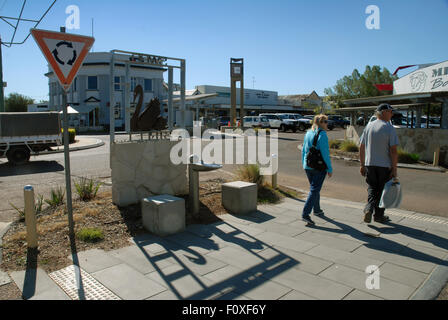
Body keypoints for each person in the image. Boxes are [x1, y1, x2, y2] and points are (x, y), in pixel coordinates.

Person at [359, 103, 399, 224]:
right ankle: (378, 216)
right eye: (390, 112)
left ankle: (369, 209)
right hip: (384, 166)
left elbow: (361, 146)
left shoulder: (369, 126)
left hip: (370, 164)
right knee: (382, 191)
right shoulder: (389, 127)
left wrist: (362, 164)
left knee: (372, 188)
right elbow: (393, 150)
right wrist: (394, 169)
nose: (392, 114)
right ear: (384, 112)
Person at [300, 114, 333, 226]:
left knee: (314, 189)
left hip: (308, 165)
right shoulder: (322, 135)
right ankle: (305, 214)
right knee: (314, 190)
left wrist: (303, 163)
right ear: (320, 123)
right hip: (318, 167)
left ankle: (317, 210)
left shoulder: (308, 133)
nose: (327, 124)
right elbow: (325, 154)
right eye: (325, 122)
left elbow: (304, 150)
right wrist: (329, 168)